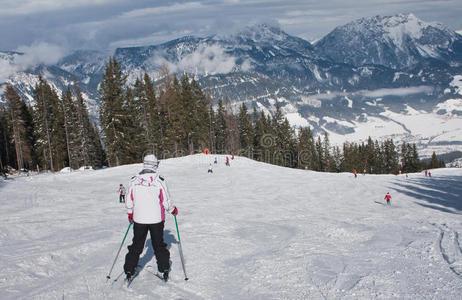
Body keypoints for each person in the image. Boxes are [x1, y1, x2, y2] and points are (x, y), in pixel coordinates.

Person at [123, 154, 178, 282]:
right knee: (159, 245)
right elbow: (166, 200)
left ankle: (130, 269)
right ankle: (163, 268)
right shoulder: (159, 181)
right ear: (154, 165)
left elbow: (128, 200)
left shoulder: (133, 180)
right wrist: (172, 210)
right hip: (156, 220)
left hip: (139, 219)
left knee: (137, 245)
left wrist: (130, 213)